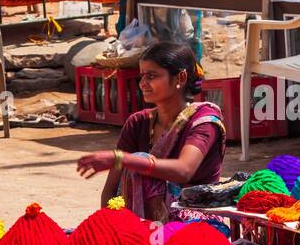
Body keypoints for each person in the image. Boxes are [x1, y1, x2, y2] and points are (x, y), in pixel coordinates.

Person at [77, 42, 225, 222]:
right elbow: (111, 189)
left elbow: (184, 170)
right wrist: (110, 228)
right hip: (142, 227)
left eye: (152, 76)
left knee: (140, 162)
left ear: (180, 78)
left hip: (196, 221)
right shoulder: (138, 122)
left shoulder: (203, 121)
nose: (142, 84)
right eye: (142, 76)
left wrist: (121, 158)